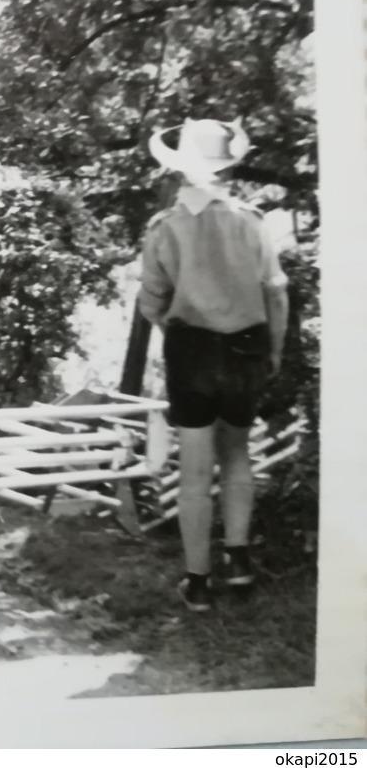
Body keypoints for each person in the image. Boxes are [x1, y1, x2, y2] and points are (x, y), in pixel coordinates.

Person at [138, 118, 289, 612]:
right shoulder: (252, 221)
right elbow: (276, 292)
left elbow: (152, 300)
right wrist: (273, 349)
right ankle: (240, 562)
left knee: (196, 469)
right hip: (247, 347)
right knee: (239, 454)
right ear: (228, 168)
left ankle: (198, 583)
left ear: (179, 169)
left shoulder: (164, 226)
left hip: (191, 351)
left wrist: (176, 331)